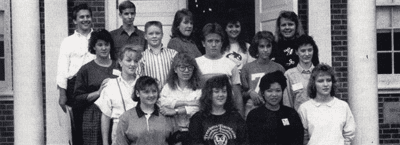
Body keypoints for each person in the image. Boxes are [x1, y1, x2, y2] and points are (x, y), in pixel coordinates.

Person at [56, 3, 95, 145]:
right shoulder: (68, 42)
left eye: (88, 16)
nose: (85, 19)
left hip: (94, 85)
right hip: (74, 86)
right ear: (75, 21)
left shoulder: (98, 38)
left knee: (95, 125)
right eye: (81, 17)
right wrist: (62, 93)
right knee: (76, 127)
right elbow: (62, 68)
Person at [73, 29, 119, 145]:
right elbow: (77, 98)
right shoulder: (86, 69)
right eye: (100, 45)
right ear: (93, 47)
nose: (104, 48)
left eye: (106, 44)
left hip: (116, 115)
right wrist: (98, 92)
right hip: (93, 116)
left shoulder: (118, 66)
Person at [94, 45, 143, 145]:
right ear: (120, 62)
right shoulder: (110, 85)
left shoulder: (144, 83)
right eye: (128, 60)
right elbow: (106, 115)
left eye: (136, 61)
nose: (132, 64)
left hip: (142, 131)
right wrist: (105, 142)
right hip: (119, 131)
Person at [297, 64, 356, 145]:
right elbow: (303, 137)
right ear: (313, 84)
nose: (325, 84)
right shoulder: (304, 108)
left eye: (328, 80)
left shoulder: (343, 106)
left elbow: (348, 135)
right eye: (320, 81)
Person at [195, 23, 244, 117]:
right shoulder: (196, 64)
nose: (214, 45)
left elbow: (237, 96)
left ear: (221, 43)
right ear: (203, 43)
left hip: (226, 114)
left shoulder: (231, 65)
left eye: (217, 41)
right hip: (202, 114)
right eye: (210, 41)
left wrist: (240, 118)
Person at [114, 76, 178, 145]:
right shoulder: (126, 118)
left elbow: (177, 141)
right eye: (146, 92)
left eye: (154, 91)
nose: (151, 95)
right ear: (137, 93)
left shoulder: (166, 115)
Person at [246, 71, 303, 145]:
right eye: (269, 91)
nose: (274, 94)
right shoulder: (254, 115)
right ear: (263, 93)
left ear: (282, 91)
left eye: (278, 90)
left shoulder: (291, 114)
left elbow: (298, 139)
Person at [189, 75, 247, 145]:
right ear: (209, 94)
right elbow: (195, 142)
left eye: (224, 91)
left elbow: (244, 142)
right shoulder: (198, 118)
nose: (221, 95)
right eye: (216, 91)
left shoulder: (236, 117)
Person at [158, 53, 202, 145]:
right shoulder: (168, 87)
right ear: (175, 69)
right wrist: (187, 103)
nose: (186, 71)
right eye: (182, 67)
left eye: (190, 67)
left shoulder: (199, 88)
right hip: (172, 131)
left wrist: (175, 111)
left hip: (192, 131)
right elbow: (162, 103)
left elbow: (198, 108)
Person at [241, 31, 285, 117]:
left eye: (268, 46)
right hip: (252, 109)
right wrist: (250, 93)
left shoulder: (279, 68)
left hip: (274, 110)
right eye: (262, 46)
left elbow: (284, 93)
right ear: (256, 47)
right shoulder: (247, 68)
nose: (265, 50)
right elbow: (241, 92)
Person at [283, 35, 320, 110]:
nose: (307, 54)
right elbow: (287, 103)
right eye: (303, 51)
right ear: (296, 52)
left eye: (310, 50)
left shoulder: (320, 73)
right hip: (298, 119)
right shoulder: (289, 75)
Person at [141, 21, 178, 88]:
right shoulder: (142, 57)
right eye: (151, 34)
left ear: (162, 35)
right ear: (145, 36)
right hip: (151, 94)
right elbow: (139, 79)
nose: (154, 36)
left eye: (157, 33)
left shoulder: (172, 54)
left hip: (170, 94)